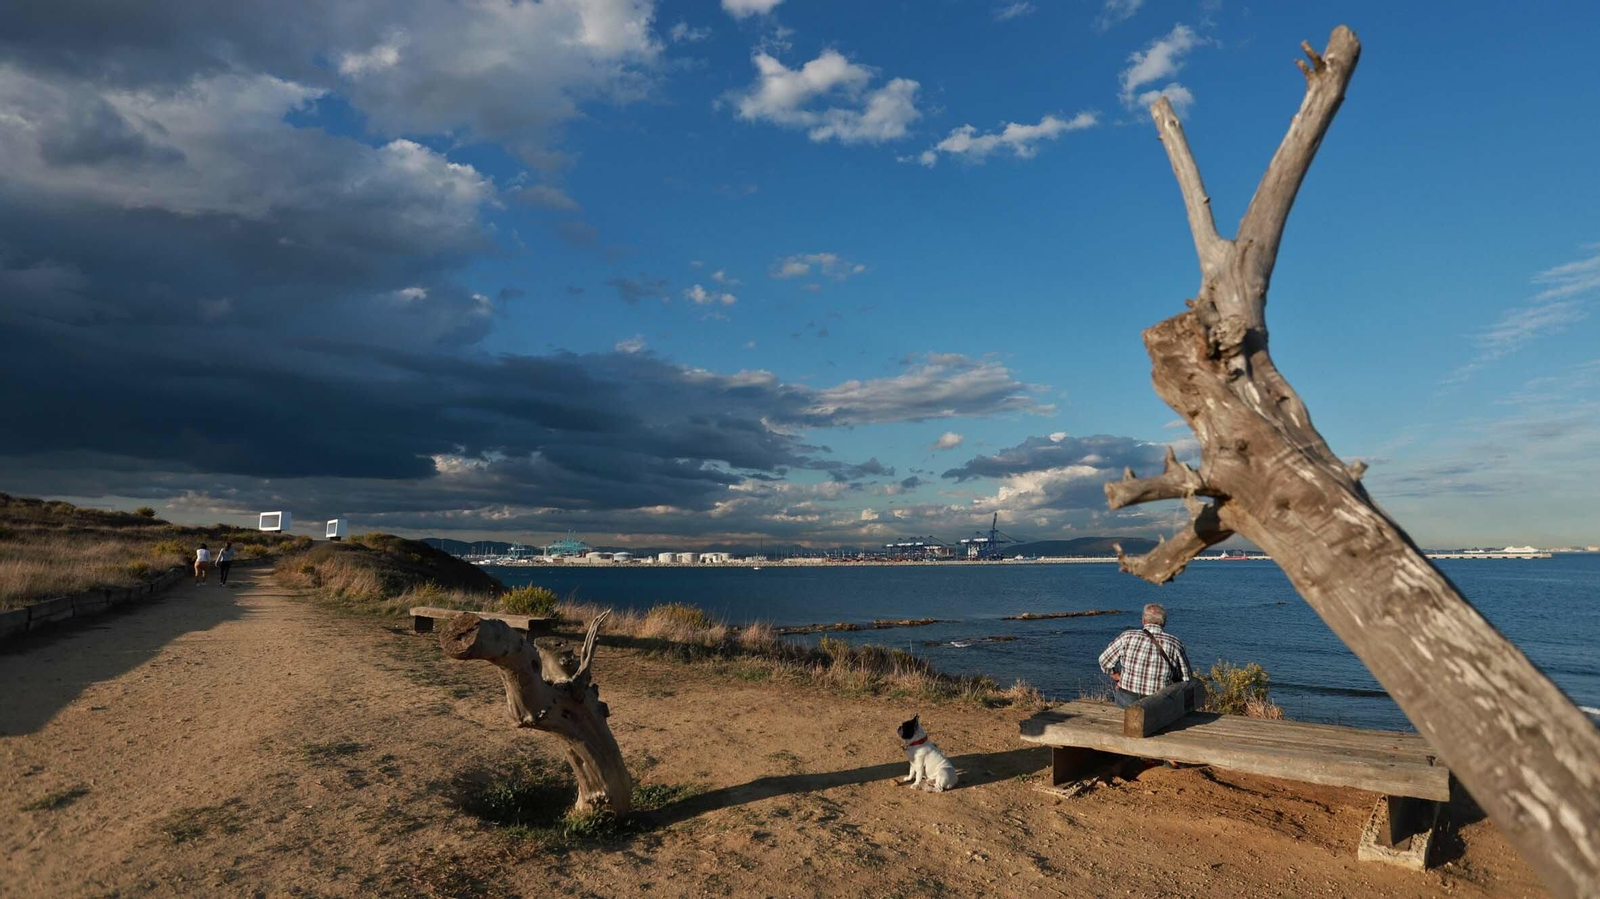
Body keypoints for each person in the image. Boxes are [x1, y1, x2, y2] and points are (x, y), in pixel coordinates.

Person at [1098, 603, 1193, 708]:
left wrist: (1118, 678)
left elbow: (1104, 661)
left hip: (1127, 699)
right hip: (1157, 702)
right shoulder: (1175, 643)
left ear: (1143, 620)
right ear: (1164, 622)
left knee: (1119, 662)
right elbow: (1186, 678)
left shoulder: (1127, 636)